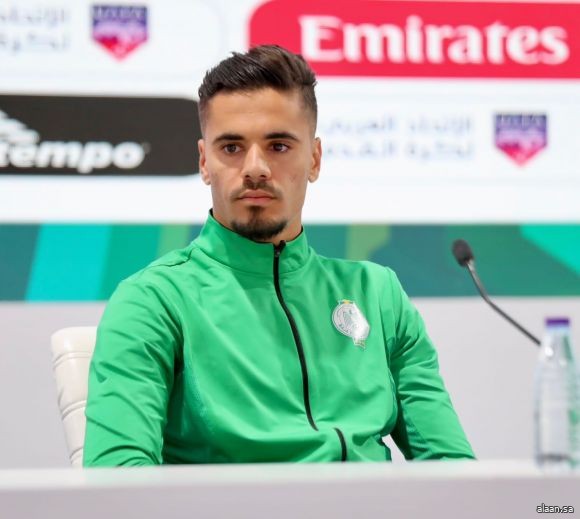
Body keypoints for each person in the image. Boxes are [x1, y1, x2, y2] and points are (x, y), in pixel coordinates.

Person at [83, 45, 475, 466]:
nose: (255, 168)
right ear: (204, 162)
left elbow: (450, 465)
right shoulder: (153, 301)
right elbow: (117, 481)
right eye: (231, 148)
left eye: (279, 146)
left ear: (314, 159)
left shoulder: (378, 294)